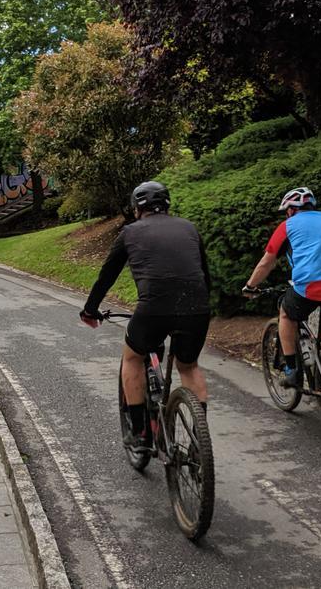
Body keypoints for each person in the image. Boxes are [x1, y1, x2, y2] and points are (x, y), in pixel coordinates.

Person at [79, 181, 212, 456]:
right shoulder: (189, 228)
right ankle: (201, 438)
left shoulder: (129, 232)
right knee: (188, 367)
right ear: (167, 205)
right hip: (196, 308)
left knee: (132, 358)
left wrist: (90, 310)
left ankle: (140, 433)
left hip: (154, 309)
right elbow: (204, 274)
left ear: (137, 208)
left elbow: (107, 276)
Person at [242, 187, 321, 389]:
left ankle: (292, 371)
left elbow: (267, 262)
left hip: (311, 285)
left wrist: (251, 286)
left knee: (286, 314)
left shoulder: (288, 225)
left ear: (291, 209)